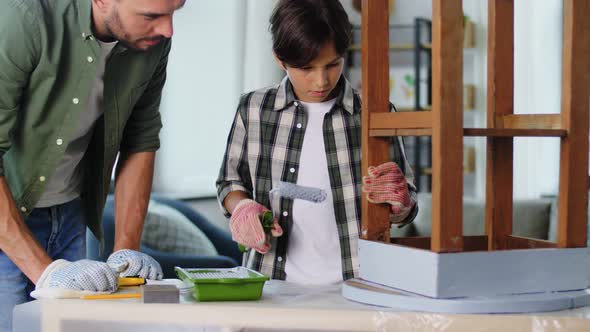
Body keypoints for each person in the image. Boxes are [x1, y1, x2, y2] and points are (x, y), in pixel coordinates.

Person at [0, 0, 185, 329]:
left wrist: (125, 251)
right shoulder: (21, 19)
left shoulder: (153, 43)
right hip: (8, 220)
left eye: (174, 12)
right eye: (151, 16)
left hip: (71, 214)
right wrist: (49, 272)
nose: (167, 29)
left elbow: (140, 138)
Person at [216, 0, 418, 285]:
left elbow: (405, 211)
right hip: (272, 283)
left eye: (332, 64)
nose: (321, 80)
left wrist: (401, 202)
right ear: (280, 60)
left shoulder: (374, 114)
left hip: (358, 285)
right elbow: (229, 183)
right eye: (306, 68)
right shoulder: (254, 109)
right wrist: (242, 208)